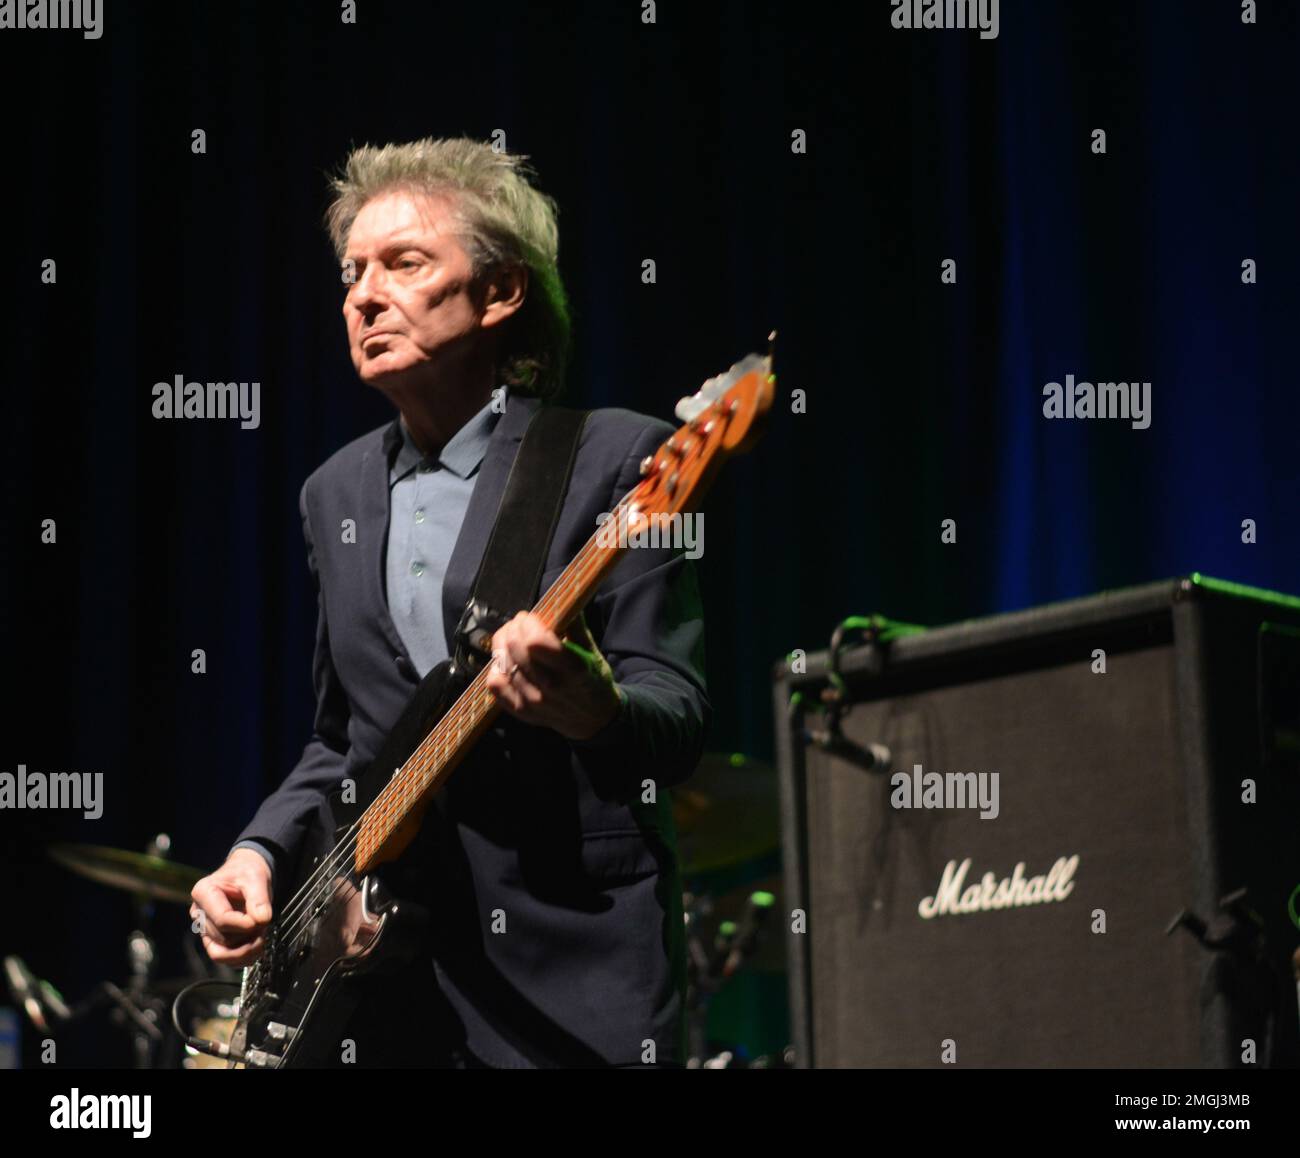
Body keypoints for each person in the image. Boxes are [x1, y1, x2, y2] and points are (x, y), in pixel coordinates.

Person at [188, 138, 709, 1068]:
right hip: (390, 988)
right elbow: (343, 738)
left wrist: (598, 708)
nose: (361, 294)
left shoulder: (618, 461)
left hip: (575, 973)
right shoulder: (332, 494)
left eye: (406, 263)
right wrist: (259, 854)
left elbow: (677, 717)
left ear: (502, 293)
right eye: (352, 272)